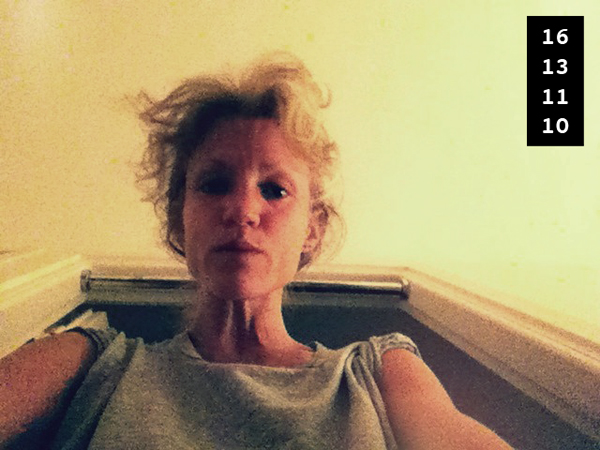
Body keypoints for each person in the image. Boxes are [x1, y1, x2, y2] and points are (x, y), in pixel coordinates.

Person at [0, 52, 512, 449]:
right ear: (179, 218)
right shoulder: (91, 363)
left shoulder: (380, 372)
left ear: (312, 230)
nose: (243, 209)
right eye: (214, 183)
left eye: (274, 190)